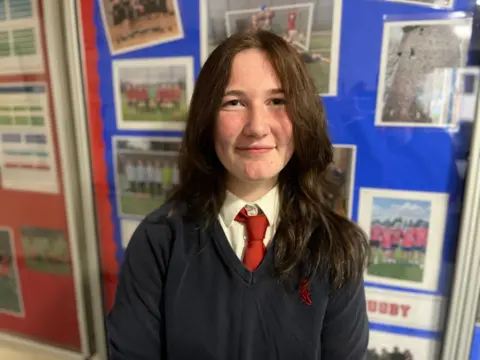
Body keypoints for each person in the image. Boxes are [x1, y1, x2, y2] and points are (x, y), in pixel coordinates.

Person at [106, 30, 370, 359]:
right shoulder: (158, 241)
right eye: (234, 103)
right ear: (207, 120)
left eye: (278, 101)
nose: (257, 126)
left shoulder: (336, 248)